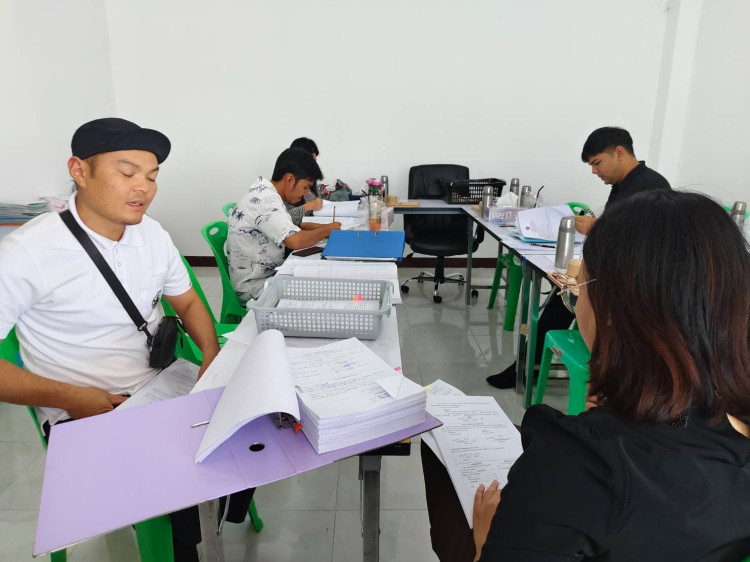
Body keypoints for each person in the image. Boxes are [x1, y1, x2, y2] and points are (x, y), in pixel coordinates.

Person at [431, 191, 750, 561]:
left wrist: (483, 543)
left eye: (577, 289)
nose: (574, 301)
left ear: (611, 313)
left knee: (441, 466)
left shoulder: (576, 464)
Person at [0, 117, 238, 562]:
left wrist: (210, 354)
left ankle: (213, 518)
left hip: (161, 386)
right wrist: (72, 398)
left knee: (255, 424)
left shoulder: (151, 233)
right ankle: (185, 539)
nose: (143, 187)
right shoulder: (28, 253)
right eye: (127, 172)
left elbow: (188, 301)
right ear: (79, 171)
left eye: (152, 176)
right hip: (88, 408)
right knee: (185, 478)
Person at [487, 126, 671, 389]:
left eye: (597, 163)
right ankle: (527, 365)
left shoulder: (651, 187)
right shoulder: (625, 183)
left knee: (564, 298)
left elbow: (645, 241)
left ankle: (527, 367)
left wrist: (596, 228)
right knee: (561, 294)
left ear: (619, 153)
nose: (594, 171)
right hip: (610, 269)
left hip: (633, 283)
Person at [227, 147, 341, 304]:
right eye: (305, 187)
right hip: (255, 287)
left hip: (264, 275)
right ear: (289, 180)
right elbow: (295, 241)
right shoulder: (266, 200)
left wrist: (317, 229)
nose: (306, 193)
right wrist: (326, 230)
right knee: (322, 289)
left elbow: (287, 226)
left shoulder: (264, 191)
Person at [285, 137, 324, 225]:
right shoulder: (287, 180)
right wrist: (307, 207)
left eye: (315, 161)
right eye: (311, 161)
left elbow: (316, 201)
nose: (314, 165)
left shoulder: (309, 176)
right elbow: (281, 218)